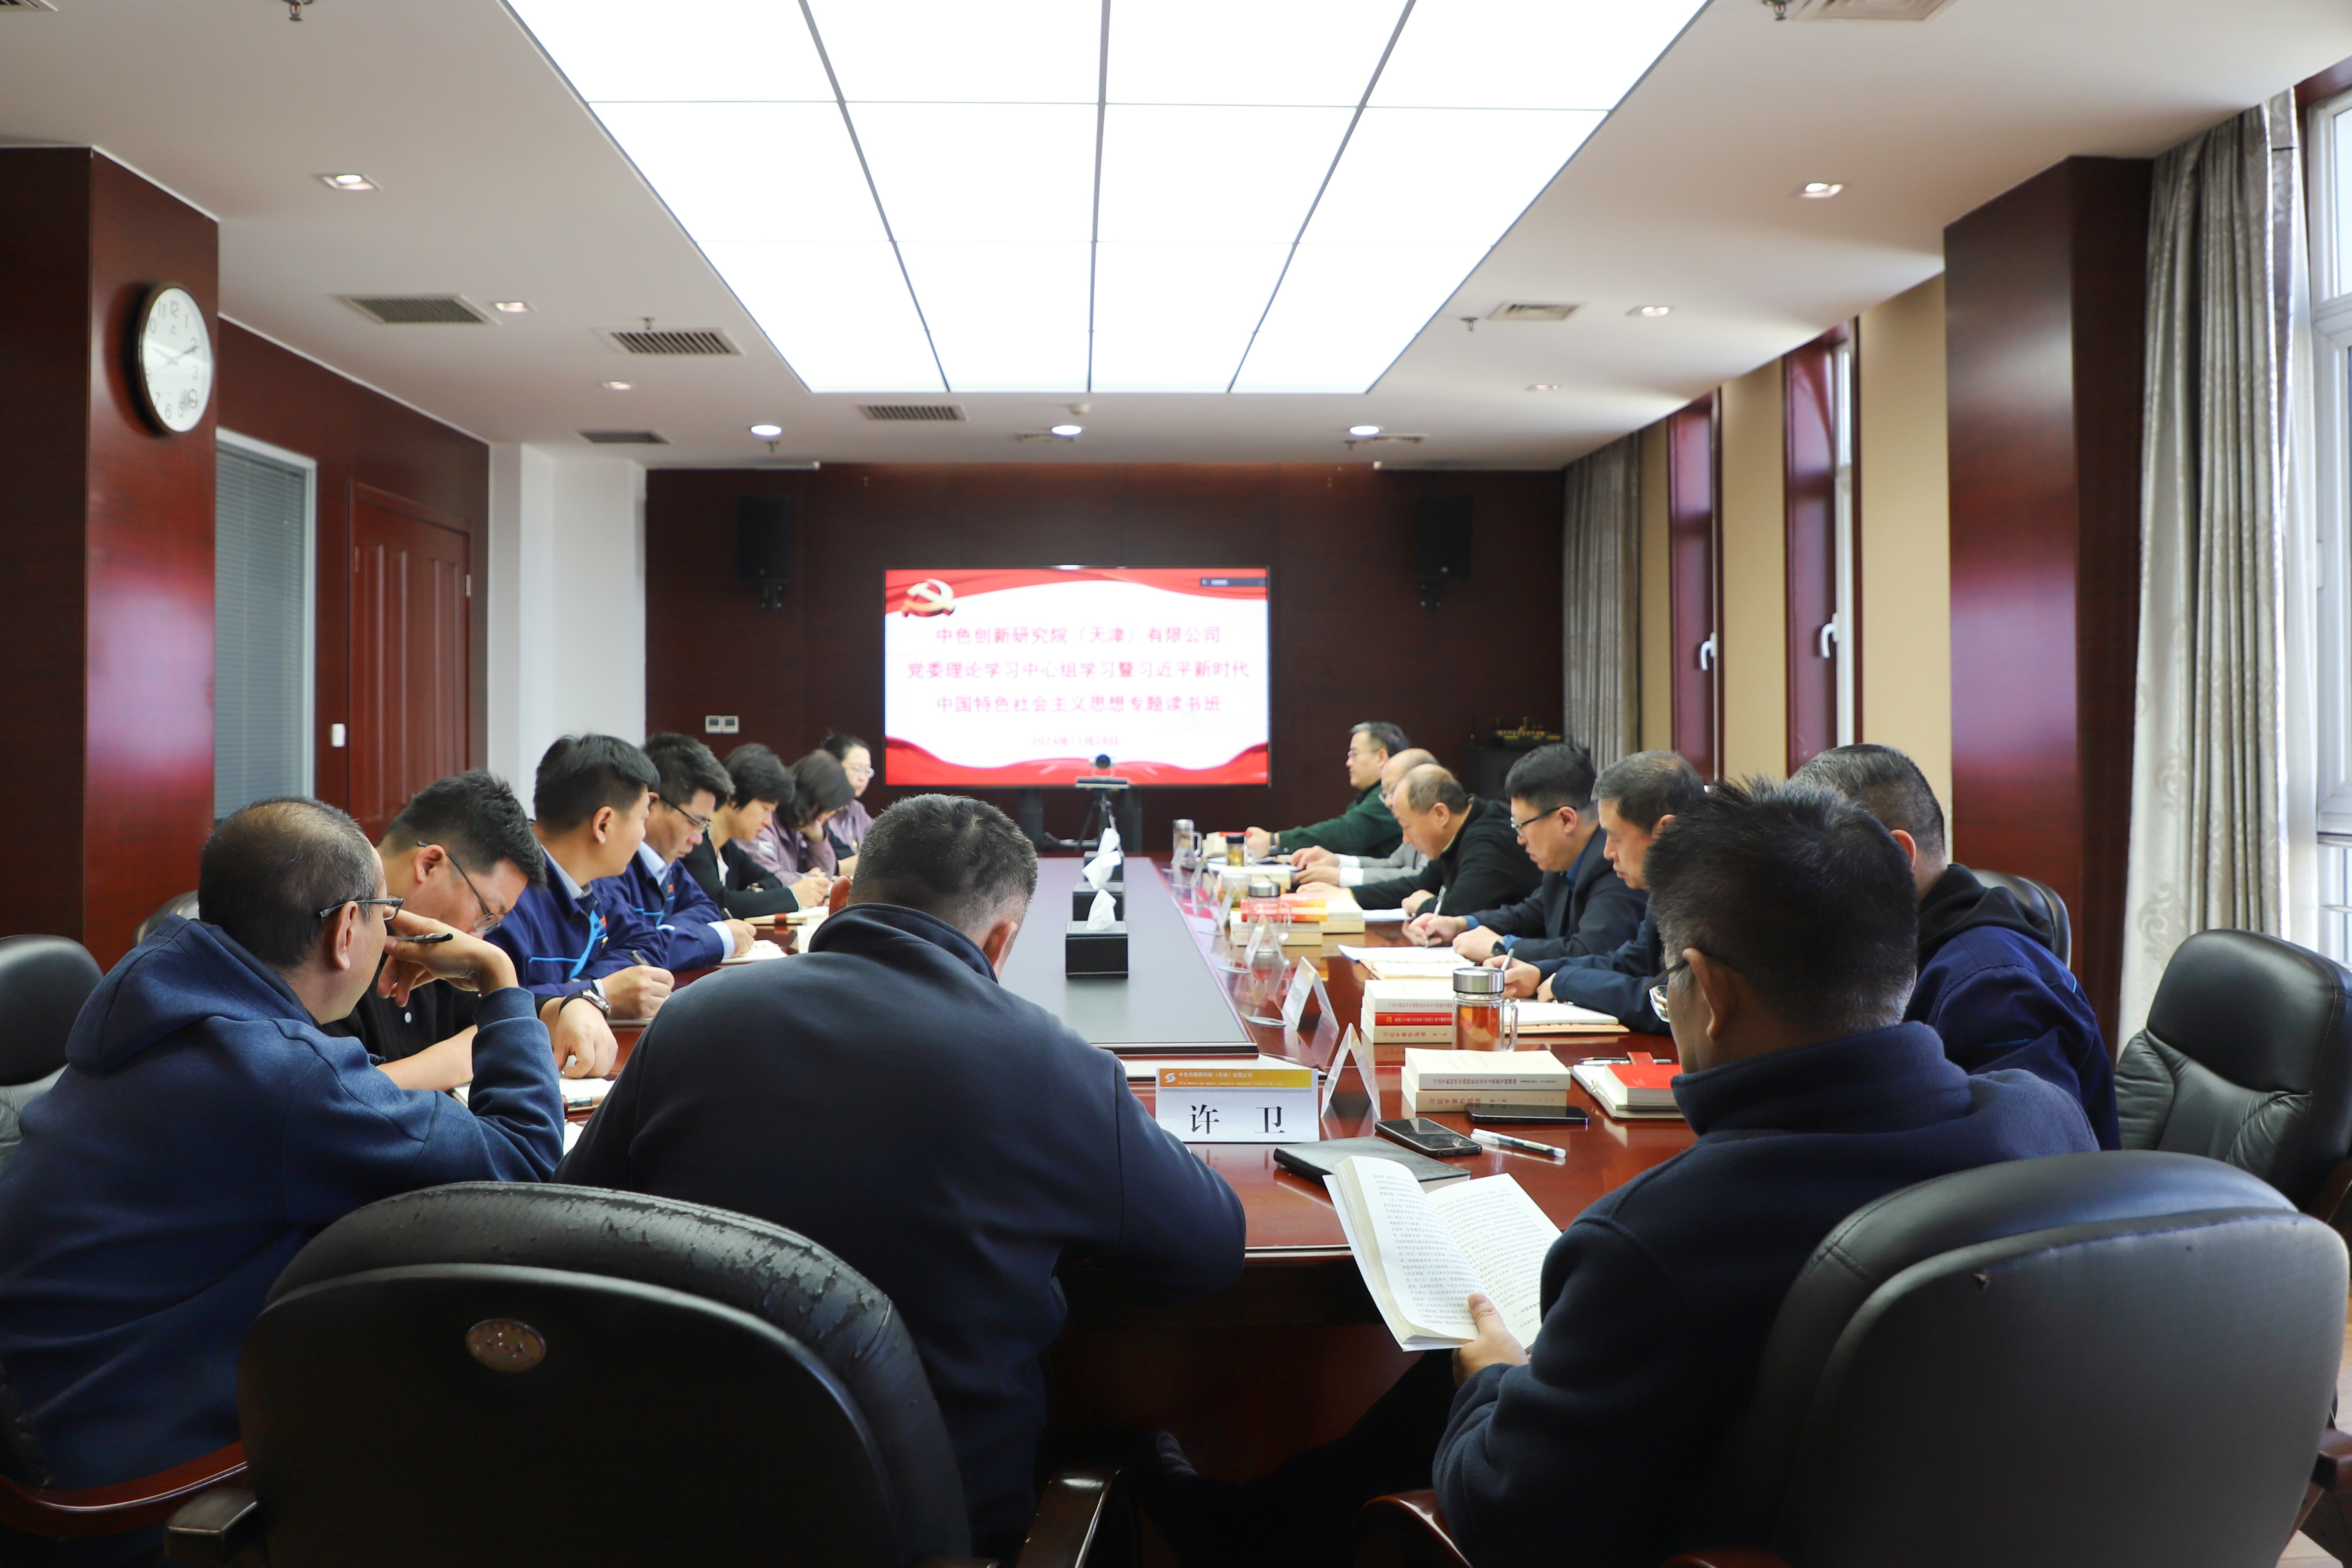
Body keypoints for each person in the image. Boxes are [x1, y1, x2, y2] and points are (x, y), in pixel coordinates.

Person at [1143, 781, 2097, 1568]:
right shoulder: (2046, 1122)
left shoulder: (1662, 1235)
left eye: (1669, 983)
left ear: (1707, 990)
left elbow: (1511, 1521)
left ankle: (1243, 1533)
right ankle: (1254, 1520)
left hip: (1703, 1534)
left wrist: (1489, 1377)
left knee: (1470, 1360)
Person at [560, 794, 1246, 1558]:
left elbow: (565, 1217)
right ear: (1001, 941)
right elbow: (1211, 1248)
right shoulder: (1054, 1065)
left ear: (841, 897)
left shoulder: (692, 1019)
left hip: (682, 1511)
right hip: (932, 1533)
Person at [0, 799, 561, 1539]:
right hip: (127, 1489)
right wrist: (499, 980)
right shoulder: (279, 1078)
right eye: (384, 913)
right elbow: (524, 1161)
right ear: (346, 929)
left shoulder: (160, 994)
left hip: (63, 1411)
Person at [1791, 743, 2119, 1148]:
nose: (1796, 897)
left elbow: (2029, 1165)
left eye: (1812, 866)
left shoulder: (1993, 986)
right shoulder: (1887, 954)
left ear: (1894, 858)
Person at [324, 771, 618, 1091]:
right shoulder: (329, 936)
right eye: (485, 914)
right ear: (429, 864)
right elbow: (337, 1094)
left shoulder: (428, 944)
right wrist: (464, 1056)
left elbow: (484, 1015)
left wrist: (568, 1007)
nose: (479, 937)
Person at [1497, 749, 1706, 1034]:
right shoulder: (1670, 886)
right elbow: (1628, 963)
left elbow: (1677, 1005)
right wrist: (1541, 973)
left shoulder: (1715, 895)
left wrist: (1568, 981)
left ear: (1666, 832)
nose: (1607, 852)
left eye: (1615, 838)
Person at [486, 735, 675, 1024]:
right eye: (642, 820)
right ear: (603, 824)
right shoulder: (504, 899)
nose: (643, 835)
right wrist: (596, 993)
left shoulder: (589, 884)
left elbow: (647, 944)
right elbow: (494, 1008)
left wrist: (588, 986)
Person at [1406, 742, 1646, 965]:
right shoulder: (1563, 860)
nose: (1520, 839)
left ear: (1566, 819)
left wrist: (1502, 947)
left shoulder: (1614, 864)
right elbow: (1529, 914)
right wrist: (1460, 924)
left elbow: (1592, 952)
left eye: (1521, 825)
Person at [600, 733, 758, 972]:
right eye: (694, 822)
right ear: (651, 805)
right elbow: (634, 955)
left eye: (704, 826)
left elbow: (706, 907)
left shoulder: (667, 862)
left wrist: (667, 933)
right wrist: (715, 938)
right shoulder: (611, 866)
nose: (698, 838)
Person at [1354, 765, 1541, 920]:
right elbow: (1422, 884)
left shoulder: (1489, 839)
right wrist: (1351, 895)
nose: (1406, 839)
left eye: (1407, 826)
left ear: (1440, 814)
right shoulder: (1457, 834)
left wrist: (1424, 905)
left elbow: (1461, 909)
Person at [681, 742, 830, 918]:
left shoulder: (727, 849)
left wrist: (751, 896)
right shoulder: (694, 842)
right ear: (734, 797)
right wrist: (794, 896)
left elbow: (772, 881)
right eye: (765, 809)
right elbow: (718, 903)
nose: (768, 822)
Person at [1242, 722, 1408, 862]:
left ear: (1381, 757)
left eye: (1354, 754)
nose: (1349, 763)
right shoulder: (1371, 795)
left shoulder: (1395, 795)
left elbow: (1346, 832)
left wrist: (1275, 842)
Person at [1289, 749, 1436, 889]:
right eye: (1385, 794)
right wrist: (1338, 862)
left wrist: (1341, 877)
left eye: (1393, 790)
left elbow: (1420, 878)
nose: (1388, 803)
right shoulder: (1412, 820)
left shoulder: (1434, 821)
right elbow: (1393, 865)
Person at [747, 750, 855, 887]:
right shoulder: (763, 819)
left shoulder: (800, 826)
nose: (828, 816)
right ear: (808, 797)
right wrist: (808, 880)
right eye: (826, 810)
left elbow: (824, 875)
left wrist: (817, 840)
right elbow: (767, 878)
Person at [819, 730, 878, 863]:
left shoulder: (857, 810)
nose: (863, 778)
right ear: (833, 766)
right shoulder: (818, 811)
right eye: (857, 769)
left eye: (867, 771)